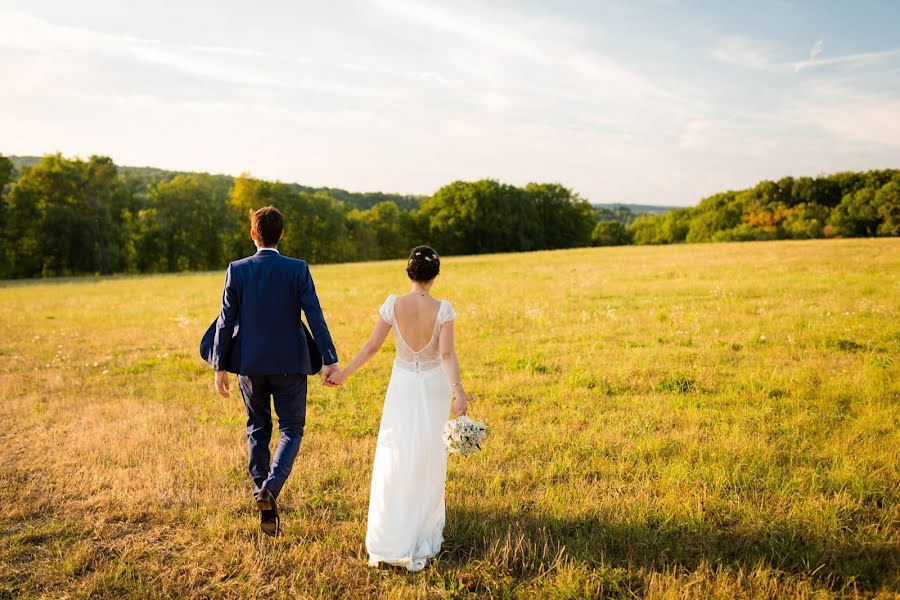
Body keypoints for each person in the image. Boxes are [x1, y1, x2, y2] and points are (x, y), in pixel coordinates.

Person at [329, 245, 468, 571]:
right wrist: (459, 391)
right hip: (434, 386)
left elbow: (373, 345)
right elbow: (446, 355)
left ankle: (394, 527)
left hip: (403, 386)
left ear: (409, 273)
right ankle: (419, 525)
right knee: (428, 453)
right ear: (434, 276)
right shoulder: (444, 309)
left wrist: (344, 373)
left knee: (398, 451)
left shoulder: (394, 304)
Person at [211, 206, 340, 537]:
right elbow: (315, 314)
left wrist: (219, 365)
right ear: (281, 234)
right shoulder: (297, 268)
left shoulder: (236, 270)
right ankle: (271, 489)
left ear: (254, 234)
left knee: (257, 427)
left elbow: (226, 321)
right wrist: (329, 358)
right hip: (290, 363)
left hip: (250, 366)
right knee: (292, 428)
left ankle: (261, 494)